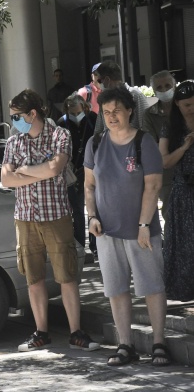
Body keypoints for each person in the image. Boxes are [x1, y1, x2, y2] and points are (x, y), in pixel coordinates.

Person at [1, 89, 99, 354]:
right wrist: (38, 173)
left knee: (67, 276)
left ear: (33, 113)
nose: (14, 122)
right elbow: (6, 179)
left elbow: (55, 168)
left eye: (17, 116)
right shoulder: (13, 142)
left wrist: (23, 171)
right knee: (34, 279)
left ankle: (76, 332)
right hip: (25, 219)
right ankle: (41, 333)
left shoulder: (60, 135)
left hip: (56, 215)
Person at [84, 85, 170, 367]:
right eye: (106, 112)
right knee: (116, 289)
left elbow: (153, 185)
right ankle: (126, 345)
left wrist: (144, 223)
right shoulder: (94, 143)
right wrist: (92, 216)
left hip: (141, 231)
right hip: (106, 232)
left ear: (130, 110)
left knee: (152, 287)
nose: (111, 116)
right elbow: (89, 185)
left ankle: (159, 344)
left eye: (117, 111)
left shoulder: (143, 141)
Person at [159, 80, 194, 302]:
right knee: (183, 244)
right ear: (178, 106)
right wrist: (184, 147)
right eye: (187, 105)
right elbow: (164, 162)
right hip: (183, 192)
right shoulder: (169, 129)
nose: (192, 109)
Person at [56, 94, 97, 258]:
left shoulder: (92, 119)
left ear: (84, 108)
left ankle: (96, 245)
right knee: (79, 211)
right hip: (74, 173)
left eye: (77, 112)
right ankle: (81, 248)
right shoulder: (62, 123)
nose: (75, 116)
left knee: (95, 209)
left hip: (94, 169)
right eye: (72, 113)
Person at [143, 70, 177, 218]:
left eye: (167, 85)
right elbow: (152, 145)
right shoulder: (149, 114)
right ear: (154, 91)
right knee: (170, 214)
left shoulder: (187, 108)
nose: (164, 90)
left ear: (175, 86)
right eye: (159, 87)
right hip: (167, 174)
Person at [93, 61, 149, 134]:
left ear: (107, 80)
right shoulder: (104, 100)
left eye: (100, 80)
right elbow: (98, 130)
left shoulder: (135, 95)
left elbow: (146, 126)